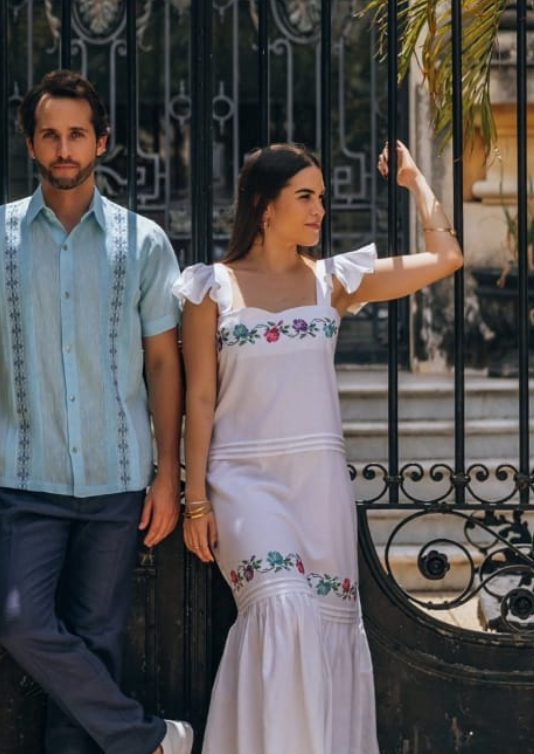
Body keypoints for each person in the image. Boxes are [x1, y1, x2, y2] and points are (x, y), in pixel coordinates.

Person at [174, 141, 464, 753]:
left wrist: (415, 181)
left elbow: (448, 256)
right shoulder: (210, 288)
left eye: (323, 198)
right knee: (282, 610)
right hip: (243, 482)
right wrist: (194, 498)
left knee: (324, 629)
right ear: (264, 205)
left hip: (319, 486)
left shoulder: (332, 281)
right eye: (305, 196)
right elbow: (198, 398)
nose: (319, 211)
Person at [0, 69, 193, 754]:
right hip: (28, 477)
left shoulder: (142, 243)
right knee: (19, 622)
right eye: (50, 134)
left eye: (77, 134)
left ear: (101, 141)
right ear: (30, 143)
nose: (64, 148)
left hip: (117, 479)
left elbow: (166, 362)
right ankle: (149, 739)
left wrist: (168, 473)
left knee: (96, 643)